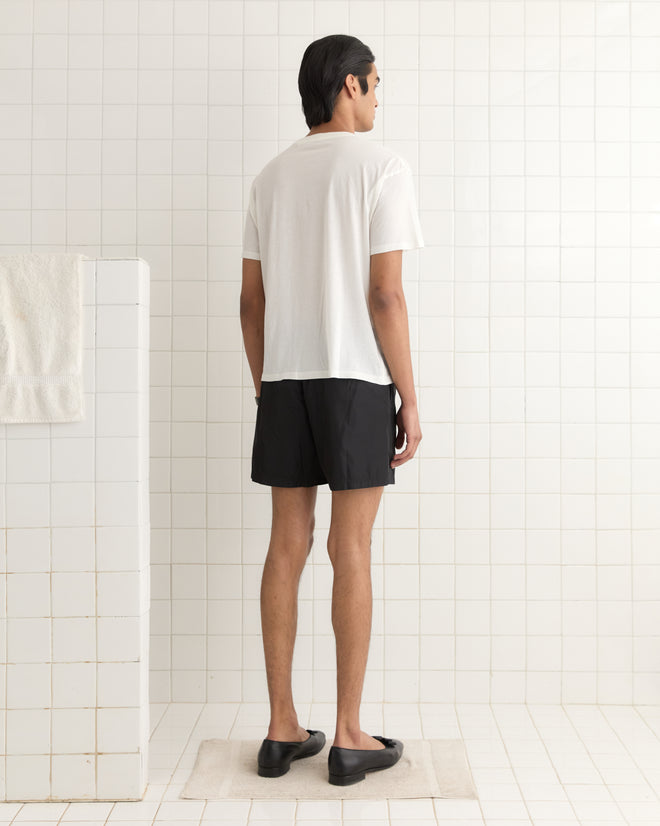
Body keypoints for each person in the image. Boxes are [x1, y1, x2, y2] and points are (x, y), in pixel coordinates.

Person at [240, 33, 424, 786]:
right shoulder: (382, 167)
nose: (379, 98)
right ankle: (349, 736)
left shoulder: (270, 177)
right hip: (354, 381)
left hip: (284, 379)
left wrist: (265, 386)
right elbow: (386, 294)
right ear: (347, 85)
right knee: (351, 549)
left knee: (287, 544)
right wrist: (410, 396)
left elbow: (249, 303)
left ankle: (282, 729)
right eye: (375, 84)